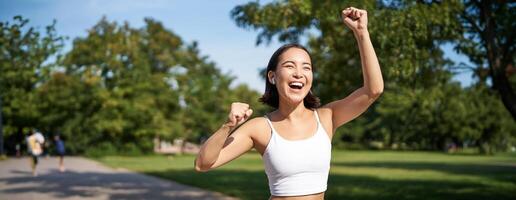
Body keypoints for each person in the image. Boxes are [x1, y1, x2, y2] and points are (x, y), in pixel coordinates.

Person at [195, 7, 383, 199]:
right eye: (289, 66)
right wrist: (228, 126)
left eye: (306, 67)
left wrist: (361, 33)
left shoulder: (327, 117)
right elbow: (203, 164)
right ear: (273, 77)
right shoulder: (260, 128)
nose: (299, 73)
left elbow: (373, 90)